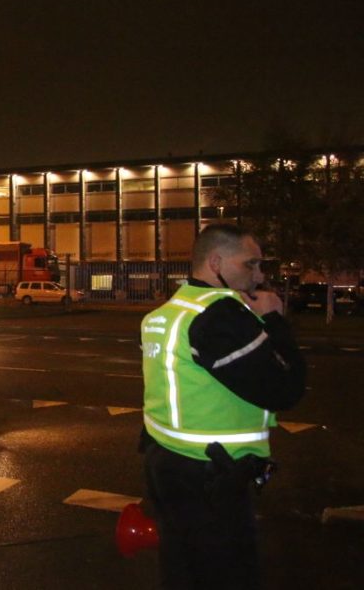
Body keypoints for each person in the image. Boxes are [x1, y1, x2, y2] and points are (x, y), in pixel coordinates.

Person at [139, 224, 306, 589]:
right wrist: (275, 319)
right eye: (250, 264)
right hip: (212, 477)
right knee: (229, 575)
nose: (259, 275)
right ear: (215, 262)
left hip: (167, 463)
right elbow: (286, 389)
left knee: (183, 569)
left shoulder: (170, 311)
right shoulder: (220, 316)